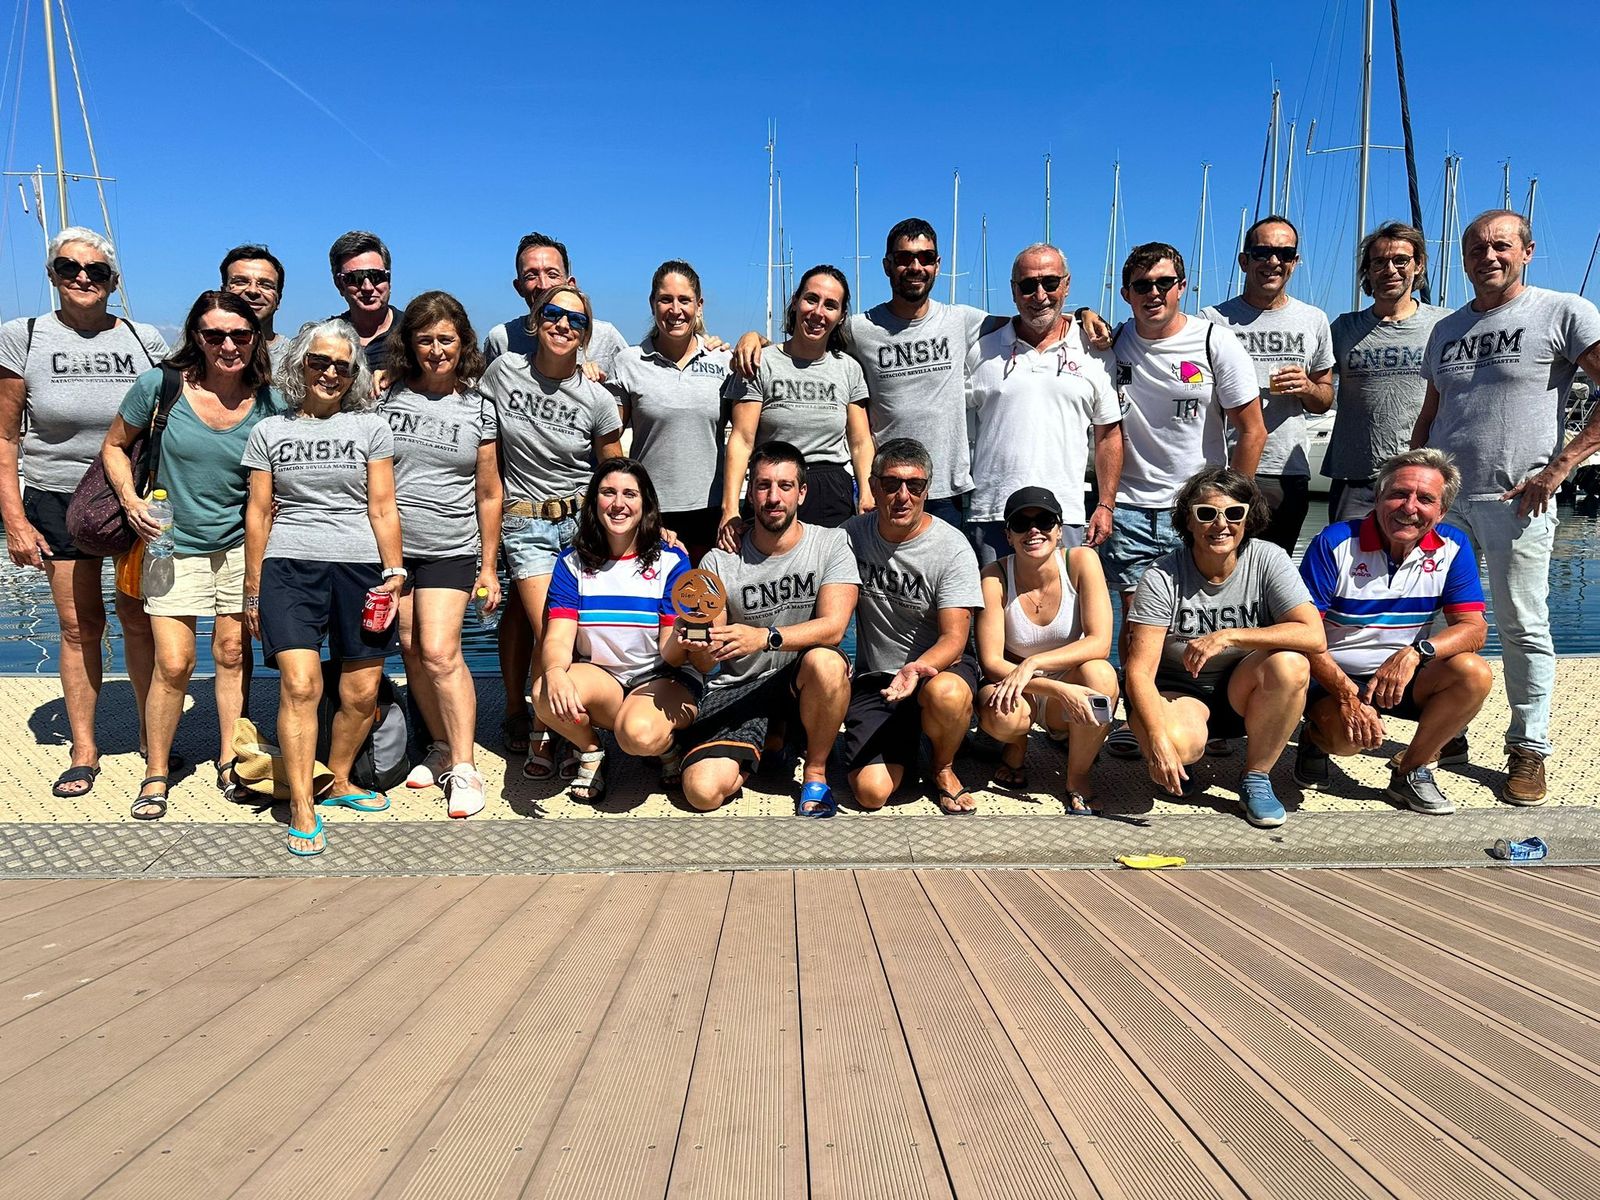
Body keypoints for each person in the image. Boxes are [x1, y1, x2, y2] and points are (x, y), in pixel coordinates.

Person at [735, 218, 1111, 527]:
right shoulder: (860, 329)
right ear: (887, 265)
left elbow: (1034, 315)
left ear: (937, 264)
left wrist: (1081, 315)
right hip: (888, 489)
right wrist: (757, 339)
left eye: (925, 257)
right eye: (904, 258)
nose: (915, 266)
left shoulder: (962, 320)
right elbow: (811, 336)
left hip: (949, 492)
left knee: (951, 606)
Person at [1411, 208, 1600, 805]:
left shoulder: (1562, 311)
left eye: (1500, 246)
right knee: (1442, 623)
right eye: (1474, 249)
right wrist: (1418, 478)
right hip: (1447, 502)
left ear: (1527, 251)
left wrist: (1561, 467)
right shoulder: (1447, 329)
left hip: (1516, 498)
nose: (1487, 257)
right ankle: (1450, 729)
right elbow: (1434, 409)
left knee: (1522, 622)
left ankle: (1529, 747)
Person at [99, 291, 282, 818]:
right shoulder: (162, 386)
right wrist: (131, 501)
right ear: (196, 338)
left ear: (255, 338)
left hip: (240, 546)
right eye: (214, 335)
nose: (228, 345)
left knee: (230, 655)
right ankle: (156, 770)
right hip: (171, 542)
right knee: (174, 663)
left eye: (240, 335)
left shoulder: (270, 399)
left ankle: (229, 760)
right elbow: (114, 445)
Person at [0, 226, 168, 800]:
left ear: (113, 281)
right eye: (70, 268)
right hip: (54, 497)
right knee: (78, 627)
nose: (82, 278)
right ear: (53, 275)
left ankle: (153, 738)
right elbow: (4, 440)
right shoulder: (23, 336)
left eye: (96, 271)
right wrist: (15, 520)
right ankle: (85, 748)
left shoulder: (145, 341)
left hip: (131, 499)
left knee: (140, 620)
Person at [242, 319, 405, 856]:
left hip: (361, 569)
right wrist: (252, 585)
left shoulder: (371, 428)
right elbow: (260, 511)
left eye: (342, 365)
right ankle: (303, 807)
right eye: (320, 362)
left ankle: (335, 779)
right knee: (302, 685)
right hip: (289, 566)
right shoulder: (269, 431)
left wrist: (395, 571)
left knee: (360, 694)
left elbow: (382, 506)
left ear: (354, 372)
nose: (330, 372)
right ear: (300, 365)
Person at [1100, 242, 1266, 758]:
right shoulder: (1114, 341)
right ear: (1125, 294)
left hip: (1198, 510)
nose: (1154, 293)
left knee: (1206, 617)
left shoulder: (1215, 341)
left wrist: (1231, 506)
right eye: (1142, 286)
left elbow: (1252, 430)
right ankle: (1138, 717)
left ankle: (1214, 719)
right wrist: (1083, 313)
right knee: (1138, 626)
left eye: (1163, 283)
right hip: (1129, 505)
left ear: (1182, 287)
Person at [1122, 467, 1324, 828]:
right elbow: (1138, 670)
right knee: (1178, 745)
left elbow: (1313, 635)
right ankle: (1180, 754)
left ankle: (1257, 777)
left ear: (1249, 518)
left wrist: (1229, 636)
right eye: (1206, 513)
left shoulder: (1269, 559)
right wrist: (1156, 739)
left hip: (1242, 686)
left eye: (1233, 513)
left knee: (1293, 664)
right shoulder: (1162, 575)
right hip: (1179, 688)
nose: (1220, 524)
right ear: (1189, 519)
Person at [477, 284, 624, 779]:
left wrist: (649, 526)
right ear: (537, 320)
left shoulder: (598, 400)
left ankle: (561, 726)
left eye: (576, 321)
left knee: (579, 632)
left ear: (586, 334)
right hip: (527, 524)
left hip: (582, 525)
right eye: (555, 316)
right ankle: (558, 729)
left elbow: (615, 472)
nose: (564, 326)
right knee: (550, 627)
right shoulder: (503, 372)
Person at [1297, 449, 1492, 814]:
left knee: (1474, 673)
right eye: (1399, 494)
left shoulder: (1454, 546)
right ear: (1379, 497)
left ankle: (1411, 771)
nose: (1409, 507)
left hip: (1398, 678)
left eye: (1425, 499)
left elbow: (1474, 629)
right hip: (1330, 675)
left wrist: (1418, 652)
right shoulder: (1335, 543)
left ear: (1442, 512)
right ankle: (1315, 735)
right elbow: (1301, 634)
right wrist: (1345, 695)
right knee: (1347, 740)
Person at [678, 441, 858, 815]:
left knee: (827, 662)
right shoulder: (720, 559)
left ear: (802, 493)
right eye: (763, 486)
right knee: (701, 792)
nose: (773, 497)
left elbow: (834, 628)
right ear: (750, 491)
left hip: (799, 683)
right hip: (740, 688)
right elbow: (707, 660)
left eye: (785, 486)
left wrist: (764, 638)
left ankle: (815, 773)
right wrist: (694, 641)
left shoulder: (832, 543)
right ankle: (772, 742)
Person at [379, 292, 501, 818]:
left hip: (451, 546)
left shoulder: (479, 407)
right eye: (424, 339)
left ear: (463, 342)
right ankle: (439, 746)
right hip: (394, 549)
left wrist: (490, 566)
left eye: (445, 339)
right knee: (408, 646)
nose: (435, 350)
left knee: (439, 651)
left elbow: (490, 492)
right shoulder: (384, 398)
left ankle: (467, 766)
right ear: (409, 344)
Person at [534, 458, 700, 803]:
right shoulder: (571, 563)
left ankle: (666, 746)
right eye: (608, 493)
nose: (619, 504)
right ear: (595, 501)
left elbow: (670, 653)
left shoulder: (670, 560)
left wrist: (688, 635)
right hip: (603, 679)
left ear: (645, 504)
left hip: (660, 678)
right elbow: (558, 637)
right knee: (543, 692)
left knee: (637, 736)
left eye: (630, 494)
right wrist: (554, 671)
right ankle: (591, 749)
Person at [841, 438, 985, 814]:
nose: (902, 495)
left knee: (948, 695)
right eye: (891, 484)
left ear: (926, 490)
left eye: (914, 485)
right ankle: (911, 739)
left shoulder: (952, 548)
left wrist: (917, 669)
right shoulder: (851, 536)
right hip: (879, 681)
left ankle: (943, 767)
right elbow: (797, 547)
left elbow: (955, 636)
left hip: (937, 670)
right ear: (873, 487)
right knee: (870, 794)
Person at [965, 244, 1122, 565]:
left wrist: (1105, 505)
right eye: (1027, 285)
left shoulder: (1095, 350)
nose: (1039, 295)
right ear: (1013, 291)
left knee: (1067, 614)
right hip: (992, 513)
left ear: (1066, 284)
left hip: (1066, 517)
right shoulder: (981, 350)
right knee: (993, 613)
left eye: (1050, 283)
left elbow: (1108, 434)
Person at [975, 486, 1118, 814]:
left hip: (1057, 681)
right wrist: (1053, 687)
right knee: (1002, 718)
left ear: (1059, 529)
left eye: (1044, 520)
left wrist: (1035, 662)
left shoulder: (1081, 560)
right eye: (1021, 524)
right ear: (1008, 535)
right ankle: (1017, 744)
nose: (1034, 530)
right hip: (1017, 688)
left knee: (1101, 673)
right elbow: (991, 662)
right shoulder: (994, 576)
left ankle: (1077, 775)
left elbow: (1100, 642)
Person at [1202, 216, 1334, 551]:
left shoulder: (1314, 319)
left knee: (1273, 575)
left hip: (1286, 470)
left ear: (1295, 261)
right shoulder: (1211, 320)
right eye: (1262, 253)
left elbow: (1324, 399)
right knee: (1219, 571)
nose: (1273, 262)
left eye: (1285, 254)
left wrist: (1306, 387)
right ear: (1244, 260)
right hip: (1225, 467)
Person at [719, 265, 872, 537]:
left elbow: (860, 442)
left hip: (830, 492)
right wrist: (730, 508)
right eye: (811, 299)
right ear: (795, 301)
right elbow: (742, 439)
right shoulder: (760, 362)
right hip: (773, 488)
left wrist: (867, 493)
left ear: (841, 316)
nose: (818, 312)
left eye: (830, 305)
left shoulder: (848, 369)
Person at [605, 261, 732, 561]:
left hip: (711, 514)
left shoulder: (724, 362)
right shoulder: (628, 362)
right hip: (649, 513)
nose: (675, 310)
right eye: (665, 299)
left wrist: (758, 339)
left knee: (704, 606)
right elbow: (608, 440)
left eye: (684, 300)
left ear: (699, 305)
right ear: (652, 304)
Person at [1323, 222, 1449, 522]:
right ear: (1368, 271)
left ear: (1418, 266)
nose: (1390, 269)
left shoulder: (1445, 325)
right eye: (1379, 262)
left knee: (1417, 567)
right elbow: (1320, 390)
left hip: (1422, 474)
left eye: (1400, 260)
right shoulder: (1343, 328)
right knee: (1349, 565)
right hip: (1354, 477)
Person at [482, 232, 628, 372]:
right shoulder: (502, 339)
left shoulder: (605, 338)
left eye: (552, 274)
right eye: (531, 276)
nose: (543, 285)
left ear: (571, 284)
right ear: (519, 287)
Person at [327, 230, 400, 369]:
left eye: (376, 276)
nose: (367, 287)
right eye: (355, 278)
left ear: (389, 280)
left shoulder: (414, 334)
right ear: (339, 284)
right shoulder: (324, 338)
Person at [219, 244, 291, 369]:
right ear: (223, 292)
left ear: (279, 299)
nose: (253, 291)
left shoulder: (296, 359)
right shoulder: (200, 349)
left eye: (265, 285)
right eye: (240, 282)